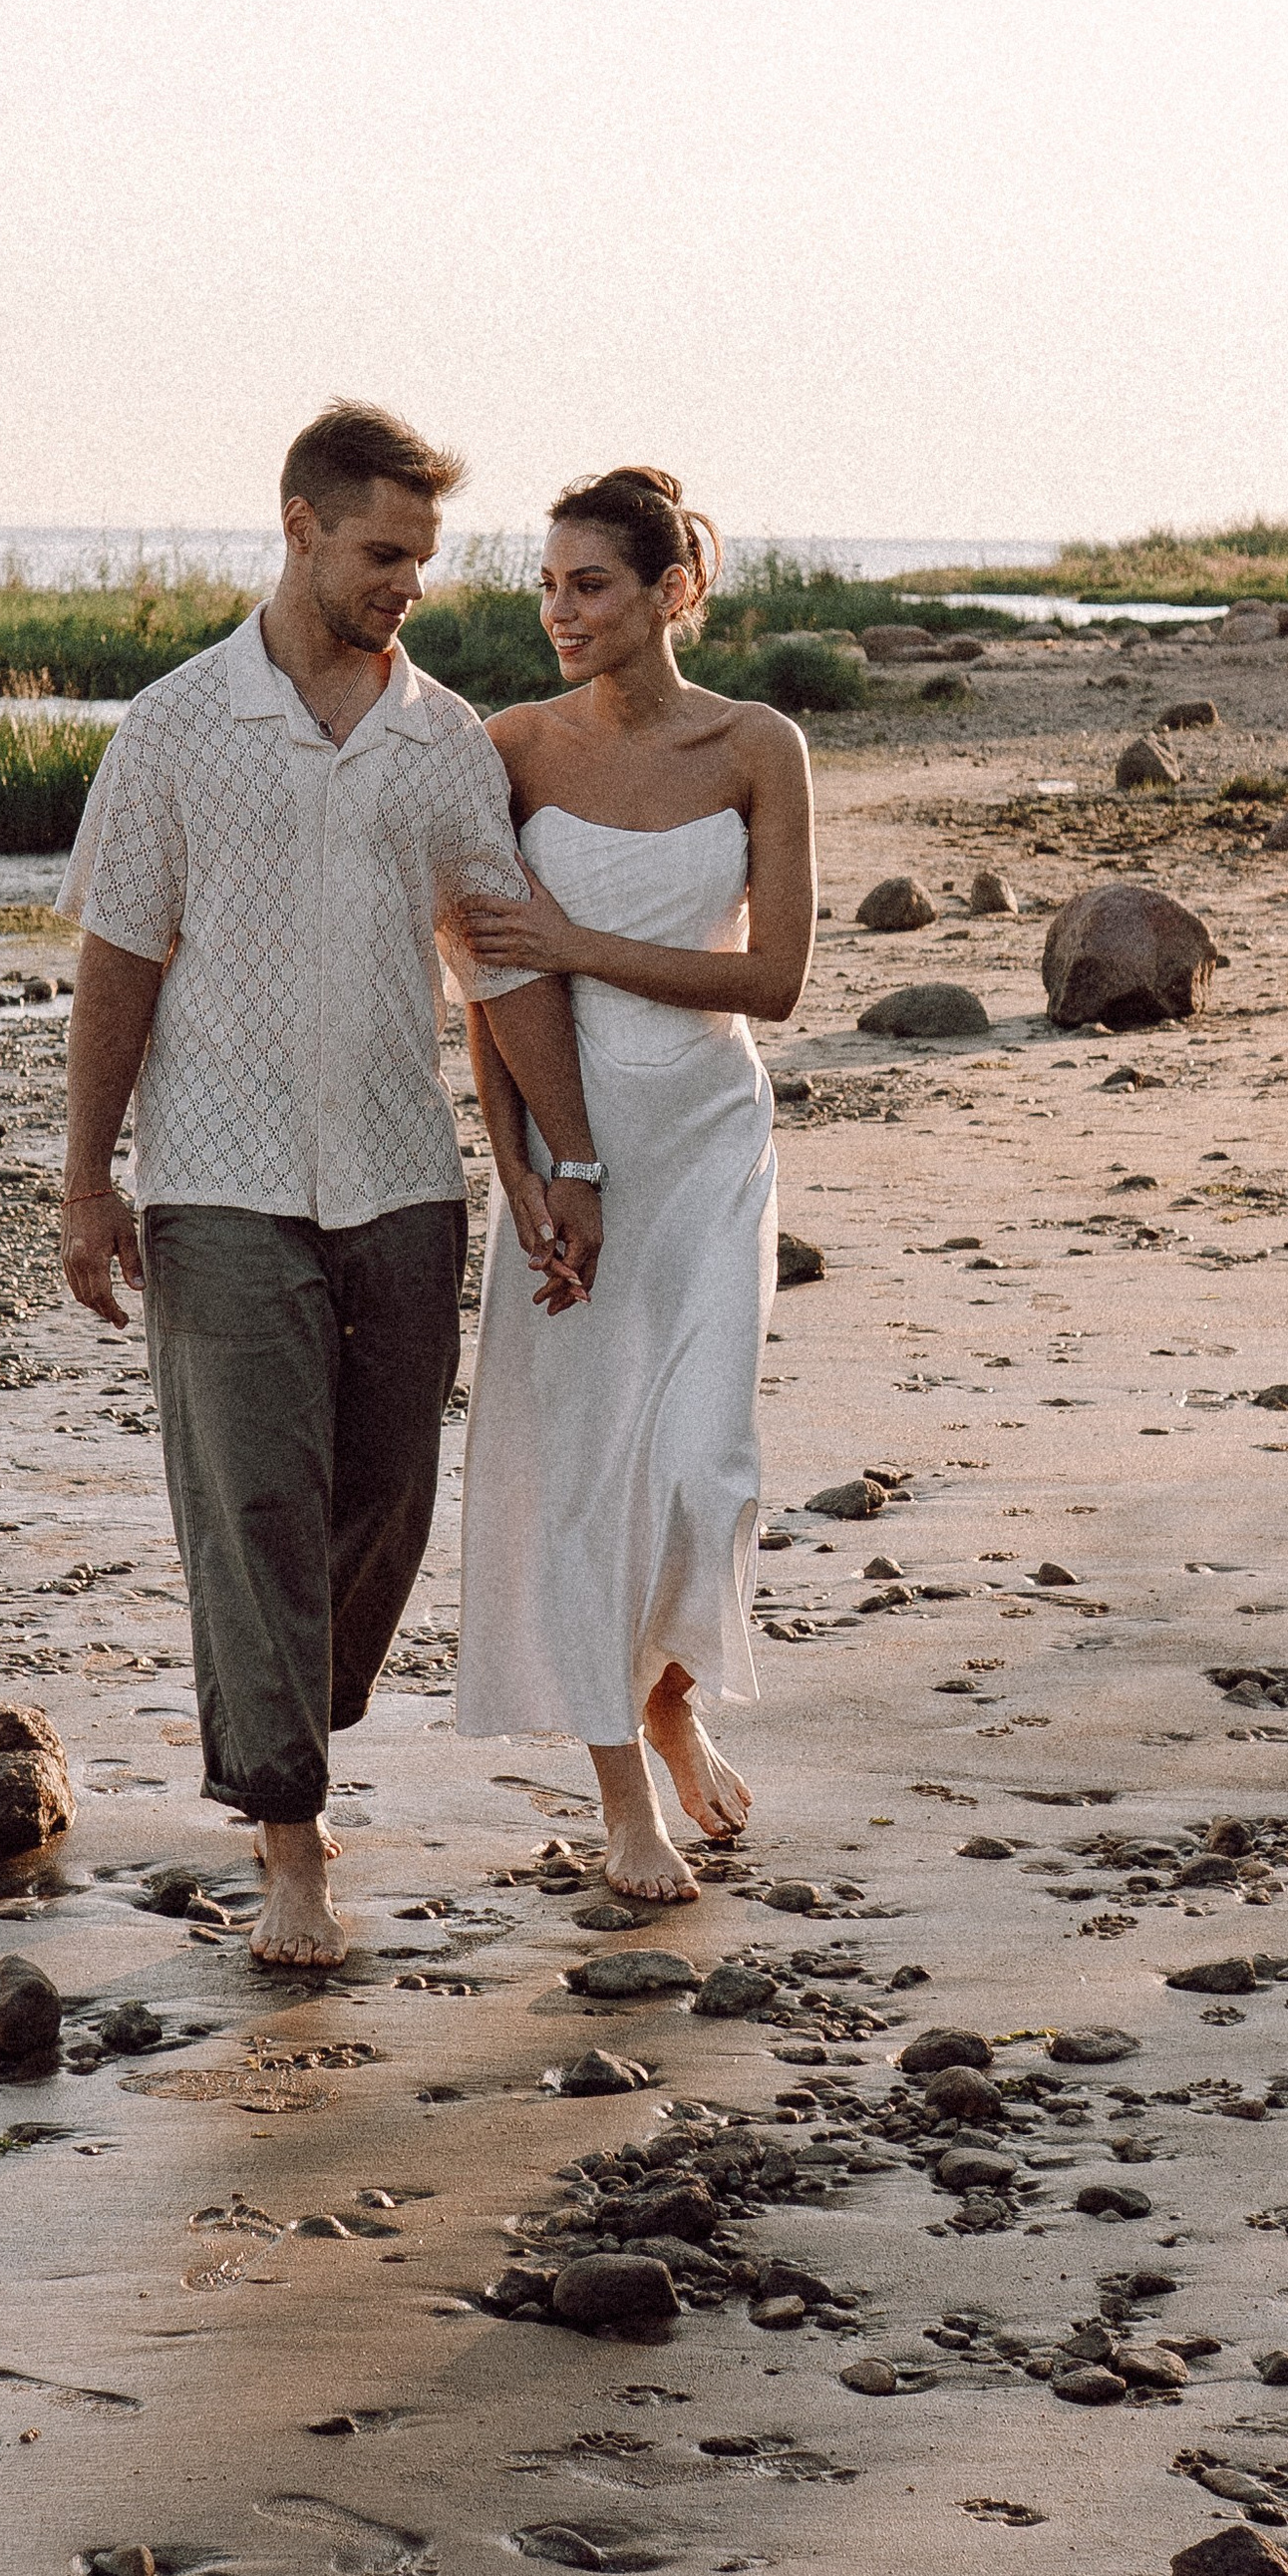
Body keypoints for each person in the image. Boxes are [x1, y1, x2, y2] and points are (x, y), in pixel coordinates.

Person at [56, 400, 606, 1970]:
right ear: (298, 525)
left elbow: (499, 971)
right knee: (255, 1506)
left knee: (385, 1500)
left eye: (423, 561)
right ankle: (291, 1838)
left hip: (398, 1178)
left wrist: (563, 1163)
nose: (406, 587)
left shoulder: (444, 742)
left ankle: (291, 1700)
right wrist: (87, 1181)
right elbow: (119, 965)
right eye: (382, 554)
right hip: (218, 1182)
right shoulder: (172, 728)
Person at [456, 466, 814, 1901]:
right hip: (570, 1145)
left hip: (712, 1141)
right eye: (546, 584)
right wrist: (525, 1169)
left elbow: (775, 978)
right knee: (584, 1469)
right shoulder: (512, 747)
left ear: (672, 592)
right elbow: (486, 980)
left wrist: (576, 937)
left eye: (588, 583)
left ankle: (668, 1686)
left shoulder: (757, 747)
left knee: (705, 1465)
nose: (558, 610)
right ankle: (623, 1791)